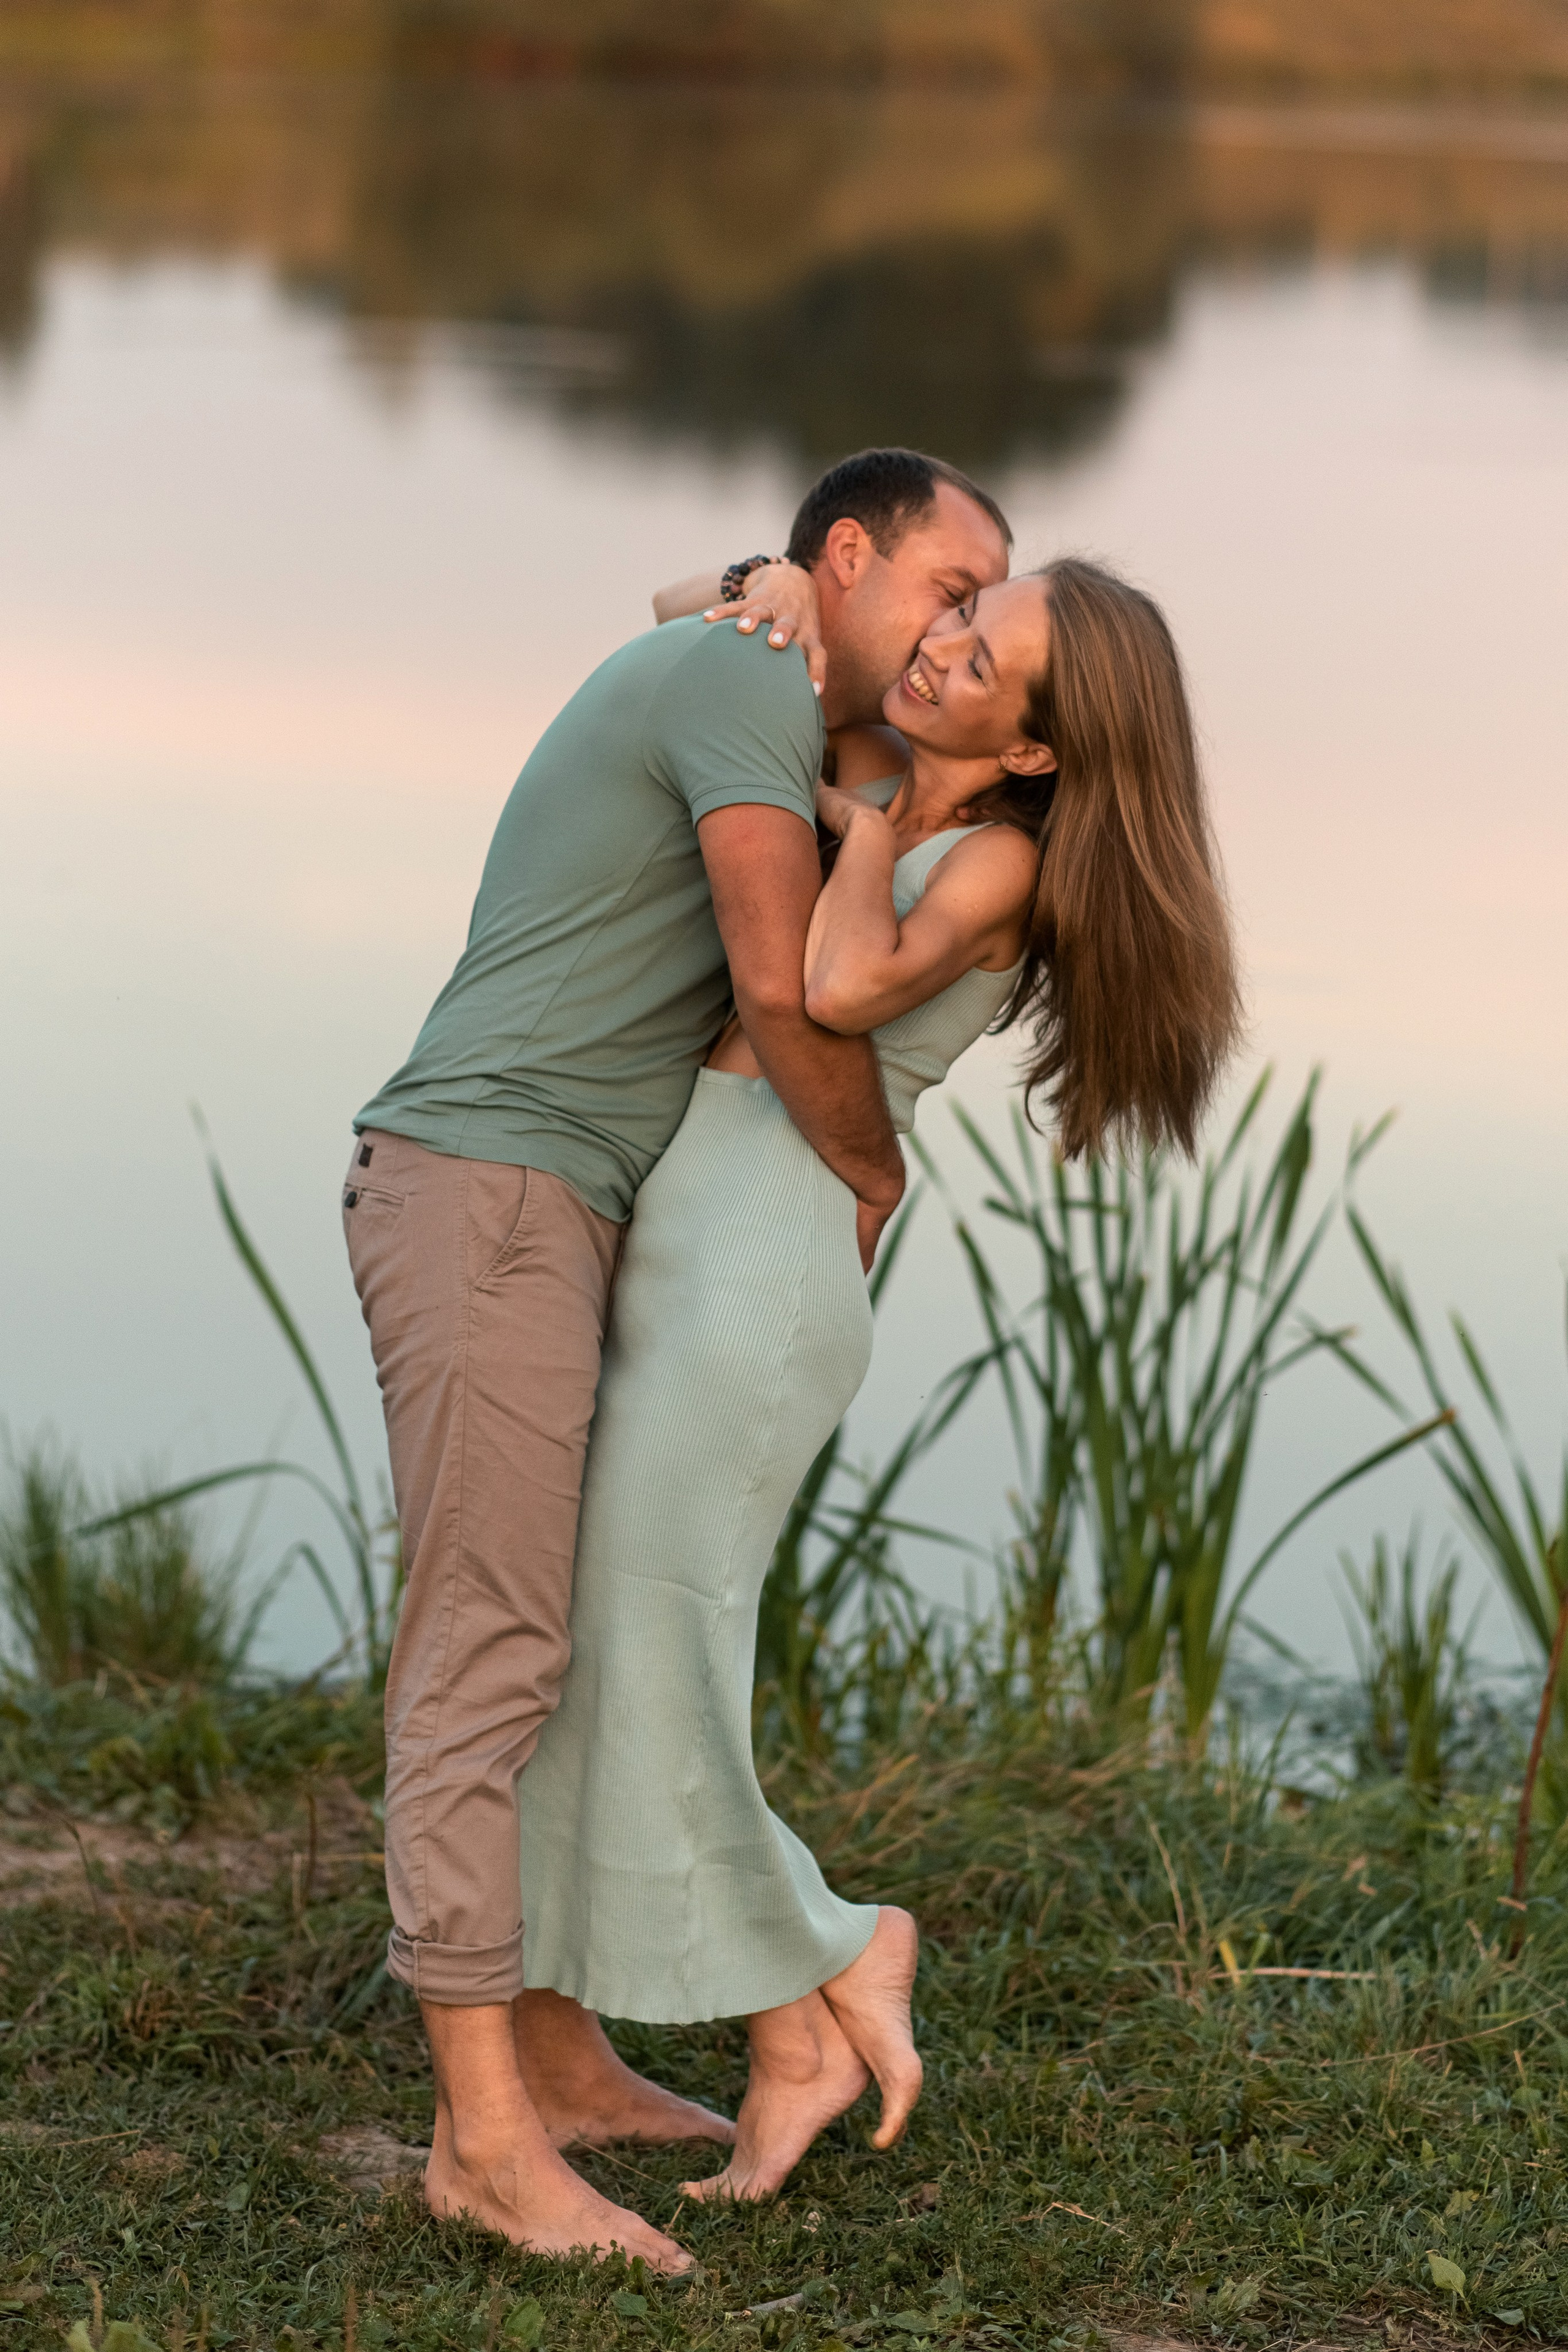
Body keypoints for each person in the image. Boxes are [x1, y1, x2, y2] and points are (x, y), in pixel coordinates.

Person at [342, 448, 1013, 2267]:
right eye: (950, 588)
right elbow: (777, 975)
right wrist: (872, 1168)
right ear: (852, 553)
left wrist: (753, 579)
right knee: (487, 1650)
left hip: (566, 1201)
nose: (961, 625)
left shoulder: (759, 668)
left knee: (543, 1626)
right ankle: (484, 2144)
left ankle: (555, 2063)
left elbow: (729, 653)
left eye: (985, 618)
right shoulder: (743, 675)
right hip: (492, 1184)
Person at [518, 553, 1243, 2199]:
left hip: (766, 1264)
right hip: (695, 1215)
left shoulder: (989, 858)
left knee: (655, 1635)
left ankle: (838, 1955)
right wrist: (766, 579)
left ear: (1043, 749)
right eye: (959, 618)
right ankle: (795, 2023)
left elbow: (831, 991)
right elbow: (664, 617)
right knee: (610, 1631)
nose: (938, 647)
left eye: (984, 658)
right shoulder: (887, 785)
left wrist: (862, 834)